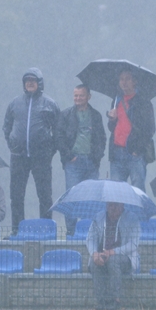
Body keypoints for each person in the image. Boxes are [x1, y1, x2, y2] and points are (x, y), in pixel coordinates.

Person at [3, 67, 60, 235]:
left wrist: (50, 151)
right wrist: (12, 144)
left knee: (44, 196)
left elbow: (58, 131)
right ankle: (16, 230)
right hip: (18, 156)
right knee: (17, 195)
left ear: (39, 83)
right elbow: (7, 127)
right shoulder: (15, 103)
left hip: (41, 157)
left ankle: (46, 229)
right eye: (27, 81)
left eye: (33, 81)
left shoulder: (49, 103)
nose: (29, 83)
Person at [55, 84, 107, 236]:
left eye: (81, 95)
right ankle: (71, 233)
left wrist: (97, 156)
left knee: (91, 199)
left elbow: (102, 138)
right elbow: (59, 137)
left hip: (91, 162)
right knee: (71, 198)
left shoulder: (96, 115)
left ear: (88, 97)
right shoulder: (65, 115)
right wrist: (69, 156)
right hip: (73, 163)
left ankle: (88, 232)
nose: (78, 98)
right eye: (76, 95)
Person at [106, 70, 156, 192]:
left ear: (135, 81)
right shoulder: (116, 100)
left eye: (128, 79)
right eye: (121, 79)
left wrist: (137, 150)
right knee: (116, 193)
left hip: (135, 154)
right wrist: (112, 119)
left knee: (137, 191)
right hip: (117, 153)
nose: (124, 82)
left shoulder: (143, 102)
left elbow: (149, 129)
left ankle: (136, 212)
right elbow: (112, 128)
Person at [87, 202, 140, 310]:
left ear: (122, 206)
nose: (113, 208)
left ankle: (115, 299)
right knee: (94, 263)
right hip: (102, 253)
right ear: (106, 206)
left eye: (116, 205)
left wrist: (114, 251)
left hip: (125, 257)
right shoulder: (98, 218)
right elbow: (90, 239)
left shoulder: (132, 218)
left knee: (113, 261)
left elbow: (133, 244)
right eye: (110, 205)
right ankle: (101, 300)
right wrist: (94, 253)